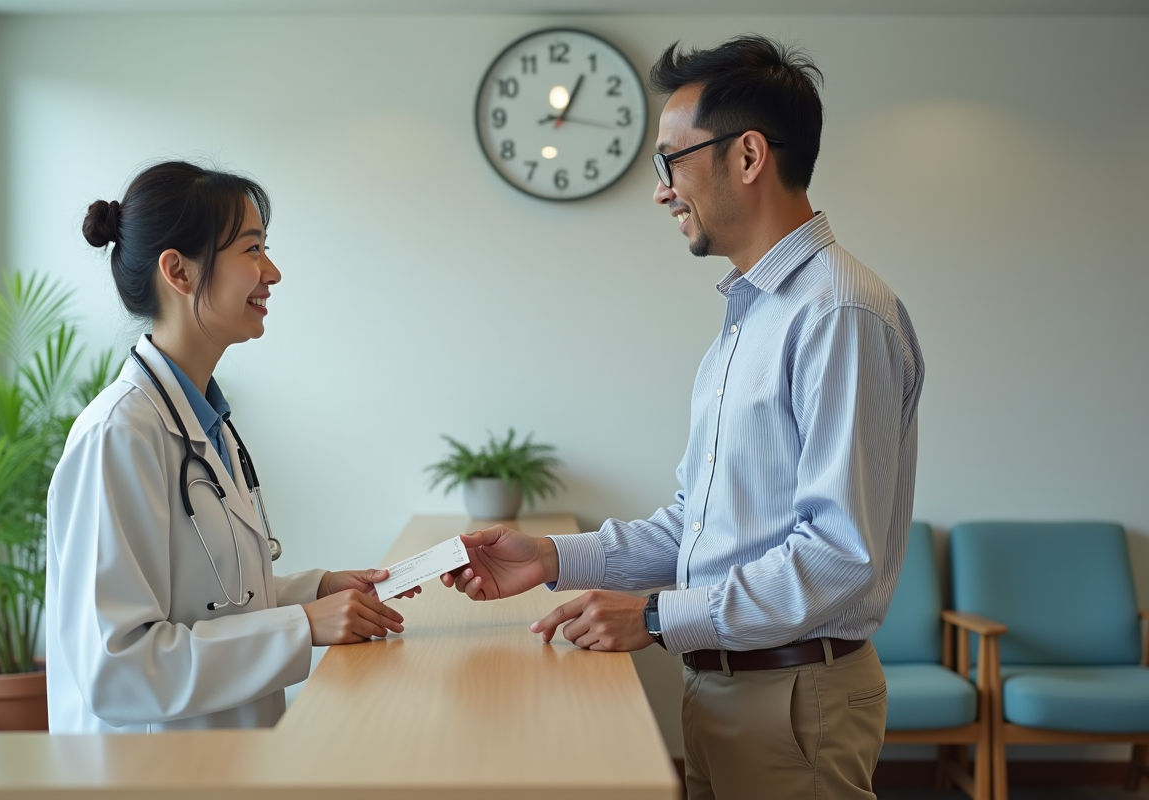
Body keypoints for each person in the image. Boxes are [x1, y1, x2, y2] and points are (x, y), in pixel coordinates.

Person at [442, 35, 924, 799]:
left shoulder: (838, 314)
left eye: (671, 160)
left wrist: (659, 617)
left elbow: (837, 556)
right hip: (725, 688)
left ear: (748, 156)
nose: (661, 190)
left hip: (790, 698)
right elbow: (696, 528)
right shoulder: (753, 314)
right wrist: (549, 557)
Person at [46, 161, 416, 734]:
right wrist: (303, 625)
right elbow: (118, 668)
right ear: (179, 271)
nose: (272, 272)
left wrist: (315, 590)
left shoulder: (203, 420)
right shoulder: (118, 434)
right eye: (252, 249)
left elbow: (213, 600)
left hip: (227, 758)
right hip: (153, 769)